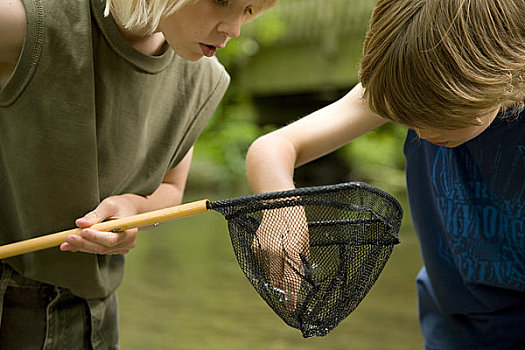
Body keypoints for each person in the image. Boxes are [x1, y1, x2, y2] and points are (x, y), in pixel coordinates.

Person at [246, 0, 525, 348]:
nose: (421, 134)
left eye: (439, 117)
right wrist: (278, 207)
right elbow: (275, 146)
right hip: (455, 325)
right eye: (405, 118)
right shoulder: (408, 82)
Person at [0, 0, 277, 348]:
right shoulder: (31, 21)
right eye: (222, 1)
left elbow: (170, 188)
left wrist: (133, 210)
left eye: (249, 10)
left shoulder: (201, 77)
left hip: (95, 316)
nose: (234, 29)